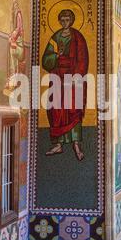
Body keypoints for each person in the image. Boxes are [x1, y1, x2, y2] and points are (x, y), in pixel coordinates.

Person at [42, 9, 89, 161]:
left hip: (73, 77)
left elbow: (83, 59)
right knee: (56, 109)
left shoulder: (78, 37)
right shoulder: (55, 37)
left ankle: (76, 143)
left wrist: (77, 76)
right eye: (62, 19)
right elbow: (46, 59)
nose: (64, 22)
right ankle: (59, 144)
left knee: (72, 109)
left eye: (67, 19)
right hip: (57, 76)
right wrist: (55, 55)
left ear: (72, 20)